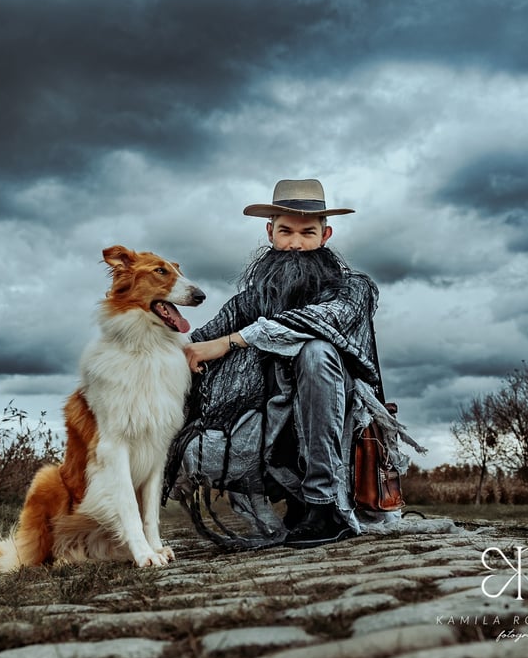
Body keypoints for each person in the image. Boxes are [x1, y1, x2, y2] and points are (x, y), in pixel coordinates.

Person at [164, 179, 425, 549]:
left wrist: (233, 341)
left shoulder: (354, 289)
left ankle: (325, 506)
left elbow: (319, 320)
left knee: (315, 351)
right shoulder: (250, 302)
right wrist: (149, 336)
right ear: (270, 233)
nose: (296, 244)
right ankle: (296, 500)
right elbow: (196, 342)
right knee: (192, 435)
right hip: (271, 432)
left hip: (343, 432)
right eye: (286, 231)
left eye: (308, 233)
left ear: (325, 235)